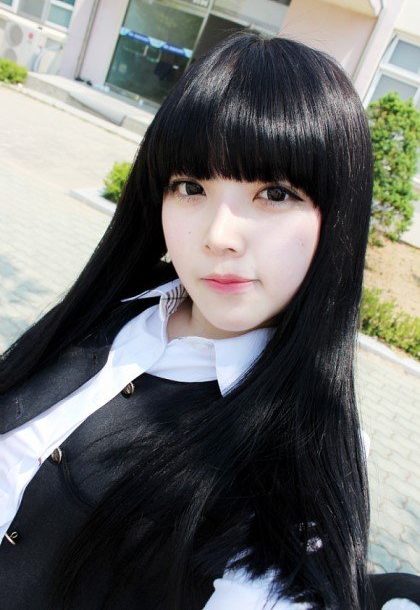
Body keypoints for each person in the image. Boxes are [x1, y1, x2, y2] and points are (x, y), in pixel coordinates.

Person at [0, 31, 418, 610]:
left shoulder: (304, 459)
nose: (219, 236)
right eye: (191, 186)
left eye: (275, 193)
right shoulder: (114, 312)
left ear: (337, 219)